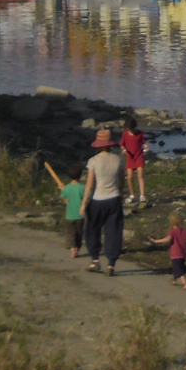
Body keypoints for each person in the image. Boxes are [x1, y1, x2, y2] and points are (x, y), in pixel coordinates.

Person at [81, 128, 127, 276]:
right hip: (114, 198)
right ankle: (111, 265)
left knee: (92, 230)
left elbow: (89, 184)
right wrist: (121, 193)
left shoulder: (93, 161)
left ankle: (95, 260)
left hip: (97, 199)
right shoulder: (118, 159)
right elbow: (122, 180)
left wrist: (83, 203)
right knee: (114, 231)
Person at [149, 212, 186, 289]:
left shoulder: (172, 231)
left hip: (175, 254)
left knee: (178, 270)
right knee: (177, 268)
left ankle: (185, 283)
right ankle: (174, 280)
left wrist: (156, 241)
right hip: (183, 253)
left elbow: (168, 239)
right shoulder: (184, 231)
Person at [119, 115, 148, 207]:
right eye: (129, 129)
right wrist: (124, 150)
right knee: (130, 177)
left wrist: (146, 147)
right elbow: (122, 144)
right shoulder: (125, 134)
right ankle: (132, 195)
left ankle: (142, 195)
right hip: (130, 157)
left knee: (140, 175)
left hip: (139, 155)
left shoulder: (140, 133)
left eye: (131, 128)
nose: (130, 130)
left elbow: (144, 143)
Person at [59, 165, 85, 259]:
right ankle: (76, 248)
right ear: (80, 175)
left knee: (71, 233)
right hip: (80, 215)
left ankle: (72, 248)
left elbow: (65, 201)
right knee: (79, 233)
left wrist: (62, 190)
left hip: (69, 215)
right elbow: (85, 200)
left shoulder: (66, 188)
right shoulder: (83, 187)